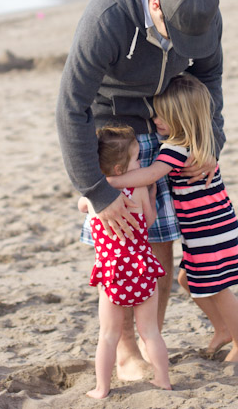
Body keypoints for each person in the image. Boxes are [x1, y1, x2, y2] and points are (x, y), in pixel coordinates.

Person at [56, 0, 224, 379]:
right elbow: (70, 106)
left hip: (164, 126)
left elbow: (211, 79)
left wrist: (211, 144)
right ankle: (126, 351)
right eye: (178, 38)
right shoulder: (108, 16)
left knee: (158, 254)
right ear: (154, 6)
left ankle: (152, 337)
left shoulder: (199, 10)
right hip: (112, 132)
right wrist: (98, 191)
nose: (184, 50)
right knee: (120, 253)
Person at [108, 74, 238, 364]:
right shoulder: (201, 141)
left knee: (218, 289)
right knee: (188, 280)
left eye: (163, 116)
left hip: (208, 229)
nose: (156, 121)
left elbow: (150, 174)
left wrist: (109, 182)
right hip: (211, 226)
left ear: (182, 119)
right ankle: (223, 329)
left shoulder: (177, 147)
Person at [78, 125, 171, 398]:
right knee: (150, 332)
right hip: (142, 270)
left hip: (113, 274)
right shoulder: (139, 188)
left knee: (108, 335)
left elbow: (81, 206)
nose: (141, 164)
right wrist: (152, 199)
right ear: (120, 169)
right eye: (137, 159)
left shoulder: (96, 198)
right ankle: (162, 379)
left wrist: (98, 187)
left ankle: (101, 388)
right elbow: (150, 222)